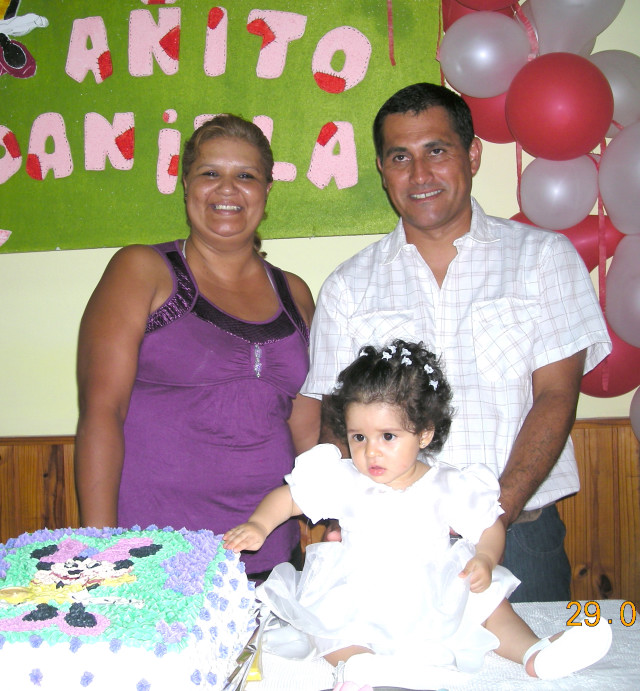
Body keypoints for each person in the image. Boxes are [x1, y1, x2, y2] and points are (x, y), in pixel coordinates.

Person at [300, 82, 612, 602]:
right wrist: (344, 510)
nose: (419, 174)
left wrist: (494, 515)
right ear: (382, 170)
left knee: (528, 654)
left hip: (519, 533)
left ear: (472, 155)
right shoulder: (348, 286)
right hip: (389, 541)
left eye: (437, 151)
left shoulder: (543, 259)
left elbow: (557, 395)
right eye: (400, 157)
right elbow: (337, 417)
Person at [224, 342, 612, 688]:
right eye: (359, 437)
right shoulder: (343, 478)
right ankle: (358, 665)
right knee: (327, 620)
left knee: (489, 601)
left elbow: (488, 525)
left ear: (424, 433)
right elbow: (289, 498)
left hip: (431, 588)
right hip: (360, 588)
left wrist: (486, 558)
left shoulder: (448, 483)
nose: (371, 451)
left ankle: (533, 652)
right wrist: (260, 523)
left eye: (388, 437)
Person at [75, 114, 320, 580]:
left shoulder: (295, 294)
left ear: (267, 191)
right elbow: (101, 413)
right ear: (186, 184)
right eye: (210, 173)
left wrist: (337, 525)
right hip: (155, 564)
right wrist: (100, 553)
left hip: (271, 562)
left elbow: (308, 436)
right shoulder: (142, 270)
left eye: (245, 175)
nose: (227, 189)